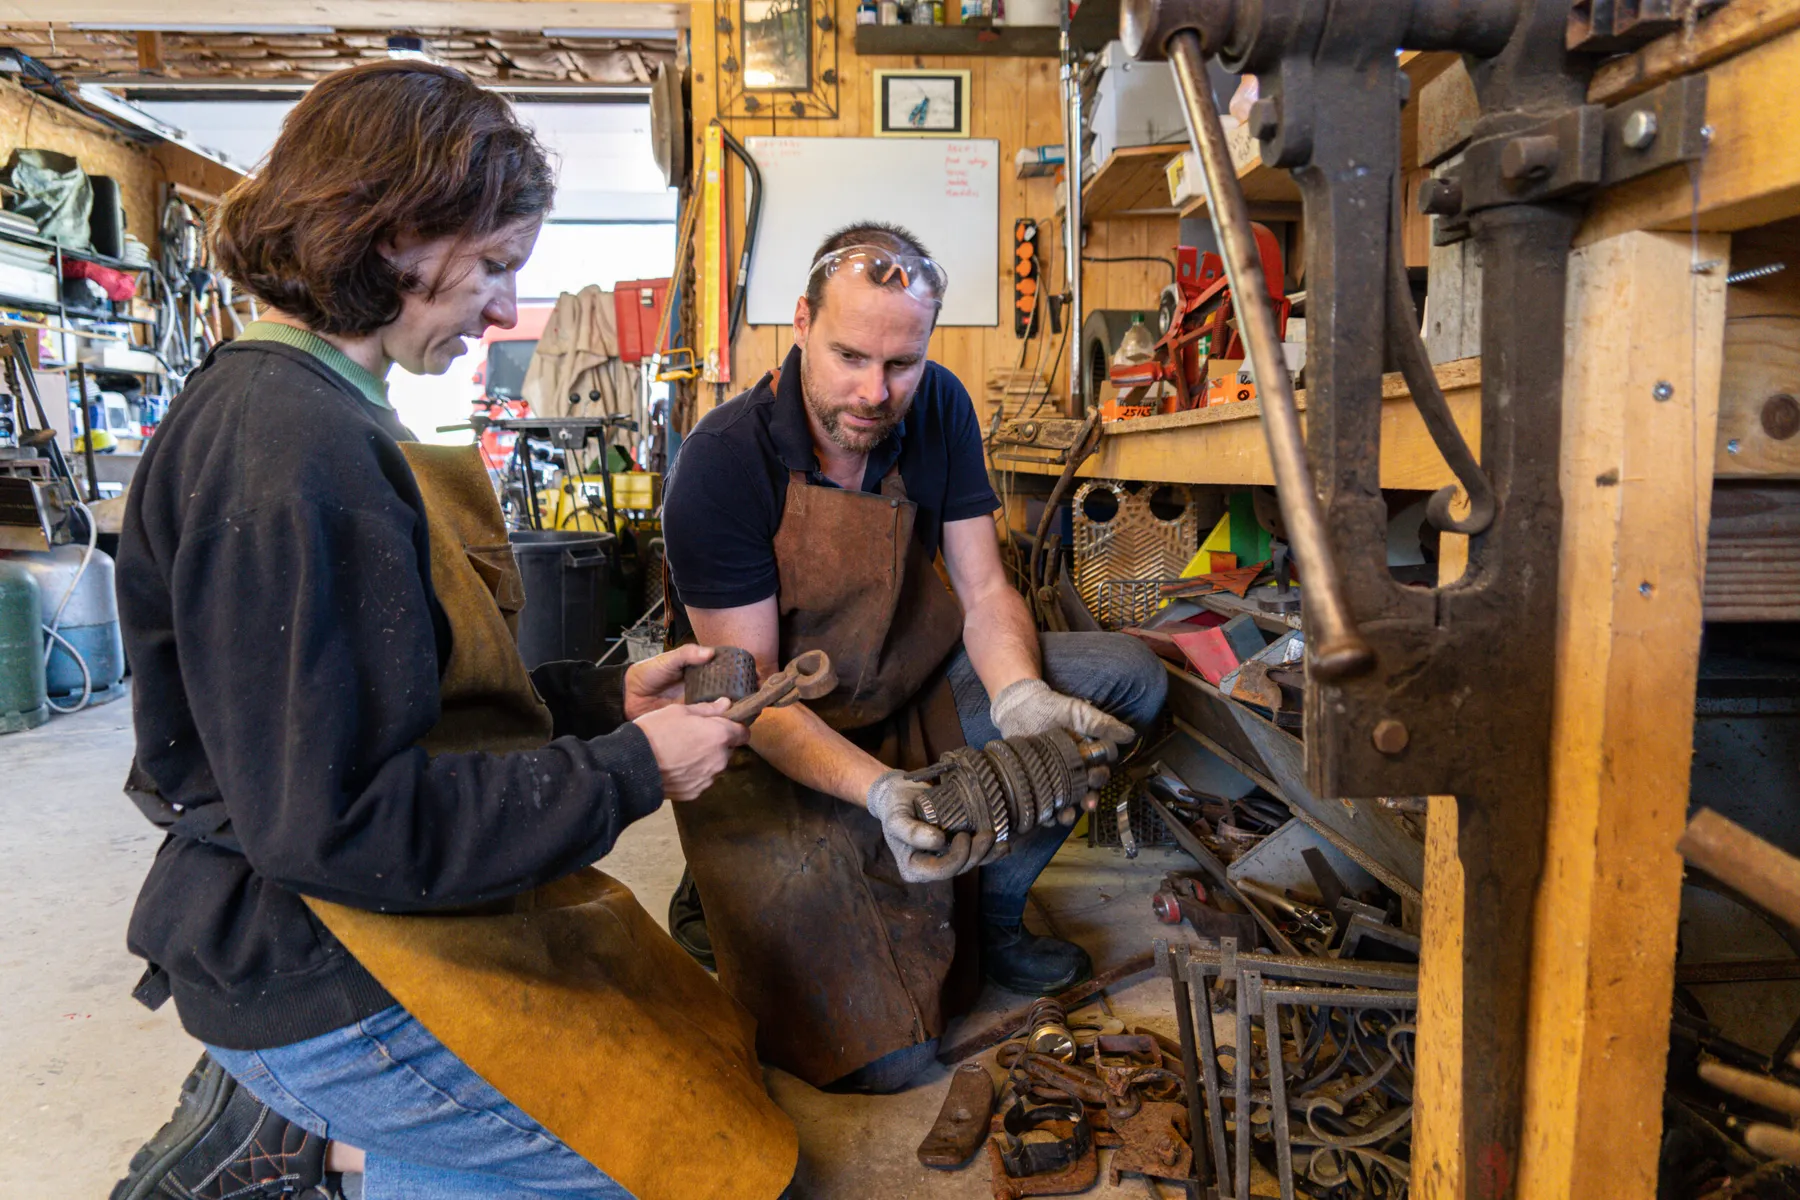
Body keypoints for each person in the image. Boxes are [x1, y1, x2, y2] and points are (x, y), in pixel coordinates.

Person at [109, 61, 797, 1200]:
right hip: (315, 954)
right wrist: (630, 770)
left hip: (360, 908)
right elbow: (339, 824)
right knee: (679, 1166)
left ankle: (337, 1144)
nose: (507, 311)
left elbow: (398, 701)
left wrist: (603, 706)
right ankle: (313, 1143)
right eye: (495, 265)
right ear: (395, 236)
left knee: (706, 1057)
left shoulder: (324, 409)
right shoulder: (294, 454)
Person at [660, 222, 1167, 1093]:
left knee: (1127, 679)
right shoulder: (722, 462)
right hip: (777, 739)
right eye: (850, 357)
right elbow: (756, 697)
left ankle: (993, 914)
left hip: (908, 687)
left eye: (902, 363)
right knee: (885, 1063)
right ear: (801, 325)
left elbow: (985, 590)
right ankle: (722, 886)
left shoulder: (939, 407)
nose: (874, 391)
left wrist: (1018, 698)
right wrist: (881, 791)